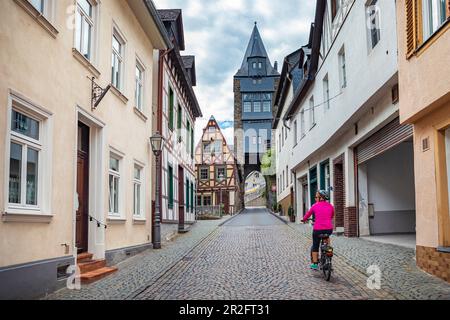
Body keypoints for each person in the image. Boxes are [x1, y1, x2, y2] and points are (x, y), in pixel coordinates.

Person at [301, 190, 334, 270]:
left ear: (320, 198)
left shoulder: (314, 206)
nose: (315, 198)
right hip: (329, 229)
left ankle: (315, 264)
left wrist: (303, 219)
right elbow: (332, 216)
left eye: (316, 196)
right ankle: (328, 253)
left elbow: (307, 215)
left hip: (318, 230)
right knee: (327, 237)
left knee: (315, 245)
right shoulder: (331, 206)